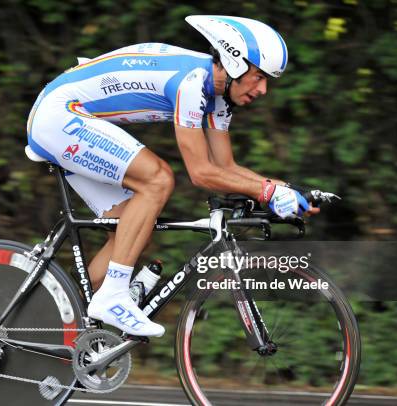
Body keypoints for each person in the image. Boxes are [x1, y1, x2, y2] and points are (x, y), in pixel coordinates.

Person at [25, 15, 316, 337]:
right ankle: (113, 297)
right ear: (234, 64)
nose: (263, 90)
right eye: (259, 76)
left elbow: (227, 168)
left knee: (134, 231)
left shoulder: (219, 97)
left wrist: (290, 191)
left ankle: (63, 327)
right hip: (59, 115)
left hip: (70, 120)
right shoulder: (192, 83)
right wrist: (267, 193)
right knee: (158, 178)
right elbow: (202, 173)